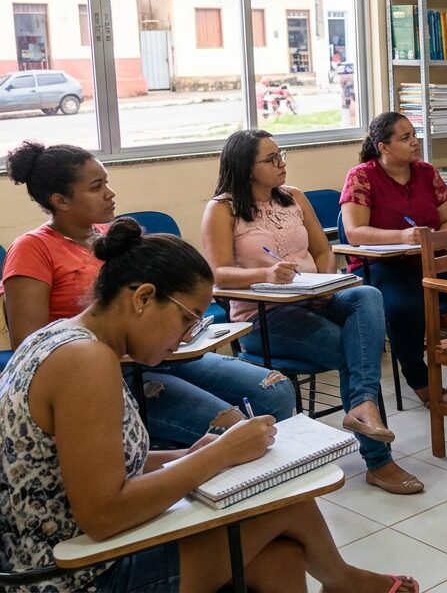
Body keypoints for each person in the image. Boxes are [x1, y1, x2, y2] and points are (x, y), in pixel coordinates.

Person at [0, 218, 416, 592]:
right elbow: (104, 514)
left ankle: (343, 581)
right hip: (68, 576)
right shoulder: (85, 361)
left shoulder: (63, 338)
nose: (186, 337)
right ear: (143, 298)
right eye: (187, 319)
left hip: (70, 552)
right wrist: (218, 455)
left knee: (283, 557)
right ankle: (344, 581)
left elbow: (89, 464)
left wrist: (184, 455)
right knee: (285, 502)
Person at [1, 140, 295, 447]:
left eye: (107, 182)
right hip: (112, 370)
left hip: (160, 355)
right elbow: (29, 343)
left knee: (275, 391)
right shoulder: (32, 248)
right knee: (228, 428)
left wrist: (176, 327)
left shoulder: (112, 237)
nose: (110, 193)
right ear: (61, 200)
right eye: (96, 186)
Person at [202, 129, 421, 496]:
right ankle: (378, 459)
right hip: (264, 316)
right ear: (246, 168)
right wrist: (265, 274)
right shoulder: (222, 209)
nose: (281, 163)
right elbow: (216, 274)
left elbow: (324, 251)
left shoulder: (294, 198)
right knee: (355, 347)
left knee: (365, 293)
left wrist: (324, 282)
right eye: (271, 159)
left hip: (313, 298)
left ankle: (364, 409)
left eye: (281, 154)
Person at [340, 112, 447, 411]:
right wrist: (401, 237)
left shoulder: (427, 172)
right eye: (405, 138)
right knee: (405, 308)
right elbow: (354, 233)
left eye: (414, 135)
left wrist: (438, 240)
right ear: (383, 147)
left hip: (430, 258)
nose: (414, 142)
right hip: (382, 265)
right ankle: (424, 386)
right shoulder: (362, 176)